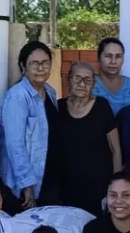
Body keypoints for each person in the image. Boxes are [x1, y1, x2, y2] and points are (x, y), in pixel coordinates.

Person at [52, 60, 121, 214]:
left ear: (93, 84)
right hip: (66, 188)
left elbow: (115, 149)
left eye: (87, 79)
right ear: (68, 79)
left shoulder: (102, 106)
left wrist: (116, 185)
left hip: (98, 188)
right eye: (77, 78)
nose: (82, 84)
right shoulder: (59, 107)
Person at [0, 40, 57, 209]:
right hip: (25, 185)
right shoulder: (17, 97)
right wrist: (26, 184)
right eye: (34, 63)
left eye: (45, 63)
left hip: (47, 176)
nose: (40, 68)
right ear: (23, 67)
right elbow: (14, 144)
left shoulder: (50, 92)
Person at [92, 37, 130, 113]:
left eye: (118, 56)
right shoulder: (89, 84)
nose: (113, 61)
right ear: (99, 58)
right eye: (108, 56)